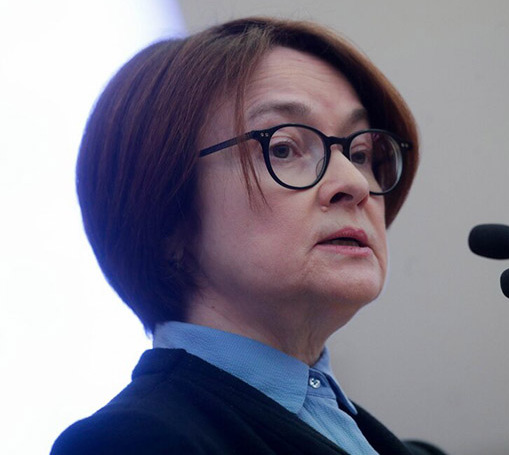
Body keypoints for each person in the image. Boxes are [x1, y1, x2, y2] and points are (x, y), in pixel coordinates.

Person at [52, 17, 444, 455]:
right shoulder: (129, 442)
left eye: (361, 153)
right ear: (167, 219)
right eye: (283, 148)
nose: (353, 183)